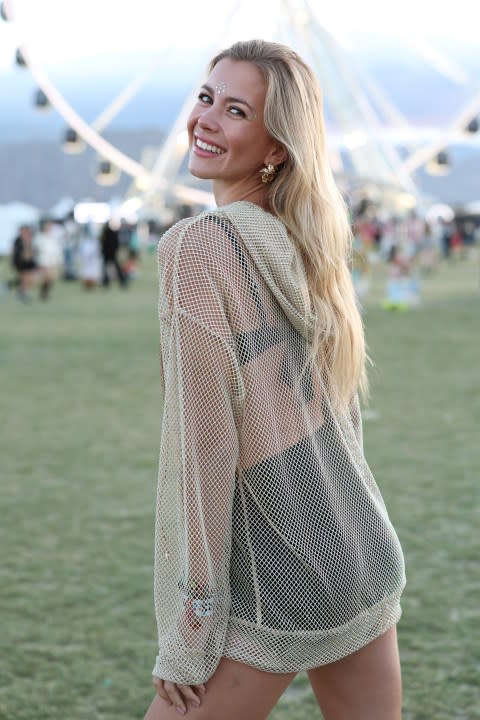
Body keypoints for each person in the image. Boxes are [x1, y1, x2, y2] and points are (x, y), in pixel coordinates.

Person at [145, 40, 405, 720]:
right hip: (361, 548)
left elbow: (203, 450)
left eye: (235, 111)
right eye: (206, 98)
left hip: (277, 572)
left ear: (275, 148)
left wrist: (191, 626)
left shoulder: (196, 247)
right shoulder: (309, 241)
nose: (205, 119)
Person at [11, 224, 37, 302]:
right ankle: (23, 293)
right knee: (23, 277)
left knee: (29, 277)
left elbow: (33, 251)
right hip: (20, 262)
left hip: (29, 261)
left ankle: (24, 292)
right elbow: (15, 251)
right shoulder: (18, 240)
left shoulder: (31, 239)